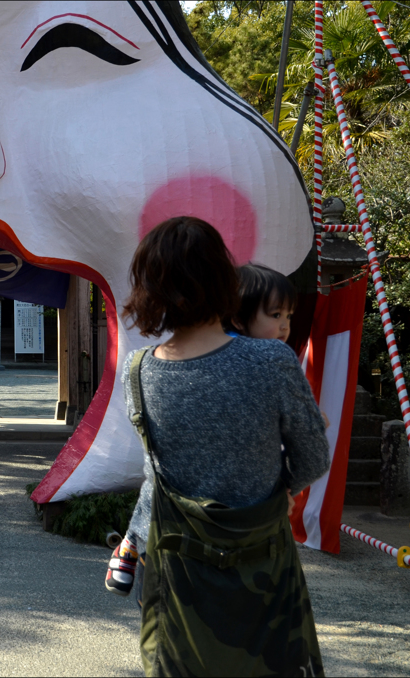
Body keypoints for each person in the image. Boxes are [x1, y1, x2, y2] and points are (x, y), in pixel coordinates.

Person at [109, 216, 330, 676]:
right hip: (263, 567)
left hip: (178, 575)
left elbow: (157, 476)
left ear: (151, 287)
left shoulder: (138, 372)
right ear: (223, 280)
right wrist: (284, 488)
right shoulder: (271, 360)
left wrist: (131, 542)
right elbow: (313, 456)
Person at [226, 263, 297, 341]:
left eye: (289, 316)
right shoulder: (234, 350)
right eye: (276, 315)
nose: (285, 327)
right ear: (239, 321)